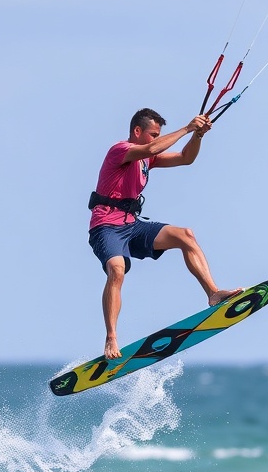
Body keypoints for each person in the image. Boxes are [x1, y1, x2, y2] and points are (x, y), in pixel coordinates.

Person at [88, 108, 242, 360]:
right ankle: (111, 338)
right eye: (153, 134)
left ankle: (213, 293)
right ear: (137, 132)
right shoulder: (120, 149)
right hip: (106, 226)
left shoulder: (147, 159)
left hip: (132, 226)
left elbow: (185, 158)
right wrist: (187, 128)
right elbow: (151, 149)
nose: (156, 139)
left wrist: (198, 136)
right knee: (116, 270)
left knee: (185, 235)